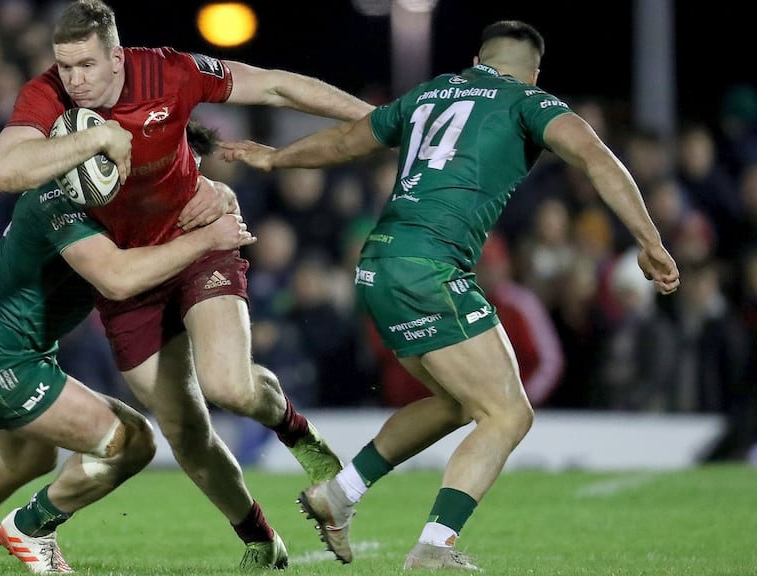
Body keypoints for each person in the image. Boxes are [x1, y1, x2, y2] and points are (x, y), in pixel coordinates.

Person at [220, 20, 680, 570]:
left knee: (457, 403)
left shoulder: (430, 92)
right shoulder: (527, 101)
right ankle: (434, 547)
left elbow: (350, 139)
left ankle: (339, 492)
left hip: (379, 264)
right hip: (430, 267)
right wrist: (649, 242)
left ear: (480, 57)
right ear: (534, 72)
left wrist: (276, 158)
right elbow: (597, 158)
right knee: (508, 414)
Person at [0, 0, 374, 568]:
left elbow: (272, 88)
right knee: (187, 436)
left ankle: (305, 442)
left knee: (230, 387)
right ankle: (262, 544)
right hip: (130, 276)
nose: (76, 80)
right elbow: (6, 170)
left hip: (199, 239)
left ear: (117, 56)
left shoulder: (168, 72)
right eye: (66, 67)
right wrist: (94, 140)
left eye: (88, 66)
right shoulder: (49, 94)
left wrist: (379, 119)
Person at [0, 140, 257, 572]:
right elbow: (117, 279)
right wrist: (208, 238)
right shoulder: (61, 203)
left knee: (27, 459)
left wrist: (218, 191)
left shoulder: (89, 189)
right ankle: (31, 528)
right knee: (130, 443)